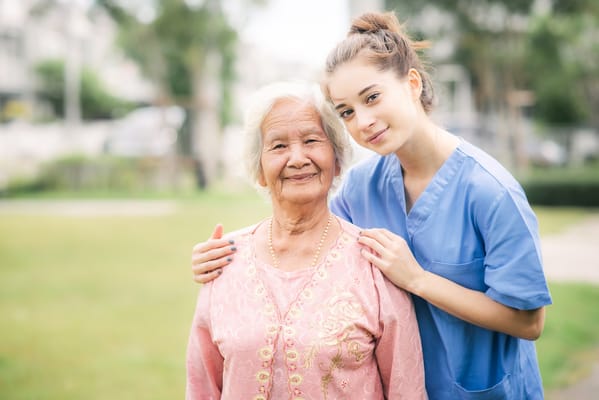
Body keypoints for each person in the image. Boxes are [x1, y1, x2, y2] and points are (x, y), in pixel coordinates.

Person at [191, 11, 552, 399]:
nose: (363, 121)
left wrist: (418, 279)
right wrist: (229, 256)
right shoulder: (362, 188)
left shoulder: (490, 191)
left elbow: (529, 321)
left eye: (372, 97)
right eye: (346, 111)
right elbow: (314, 242)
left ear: (412, 84)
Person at [185, 81, 427, 399]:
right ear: (259, 169)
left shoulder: (374, 262)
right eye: (279, 146)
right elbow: (202, 387)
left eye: (311, 140)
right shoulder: (223, 260)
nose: (298, 158)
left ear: (337, 159)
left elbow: (405, 387)